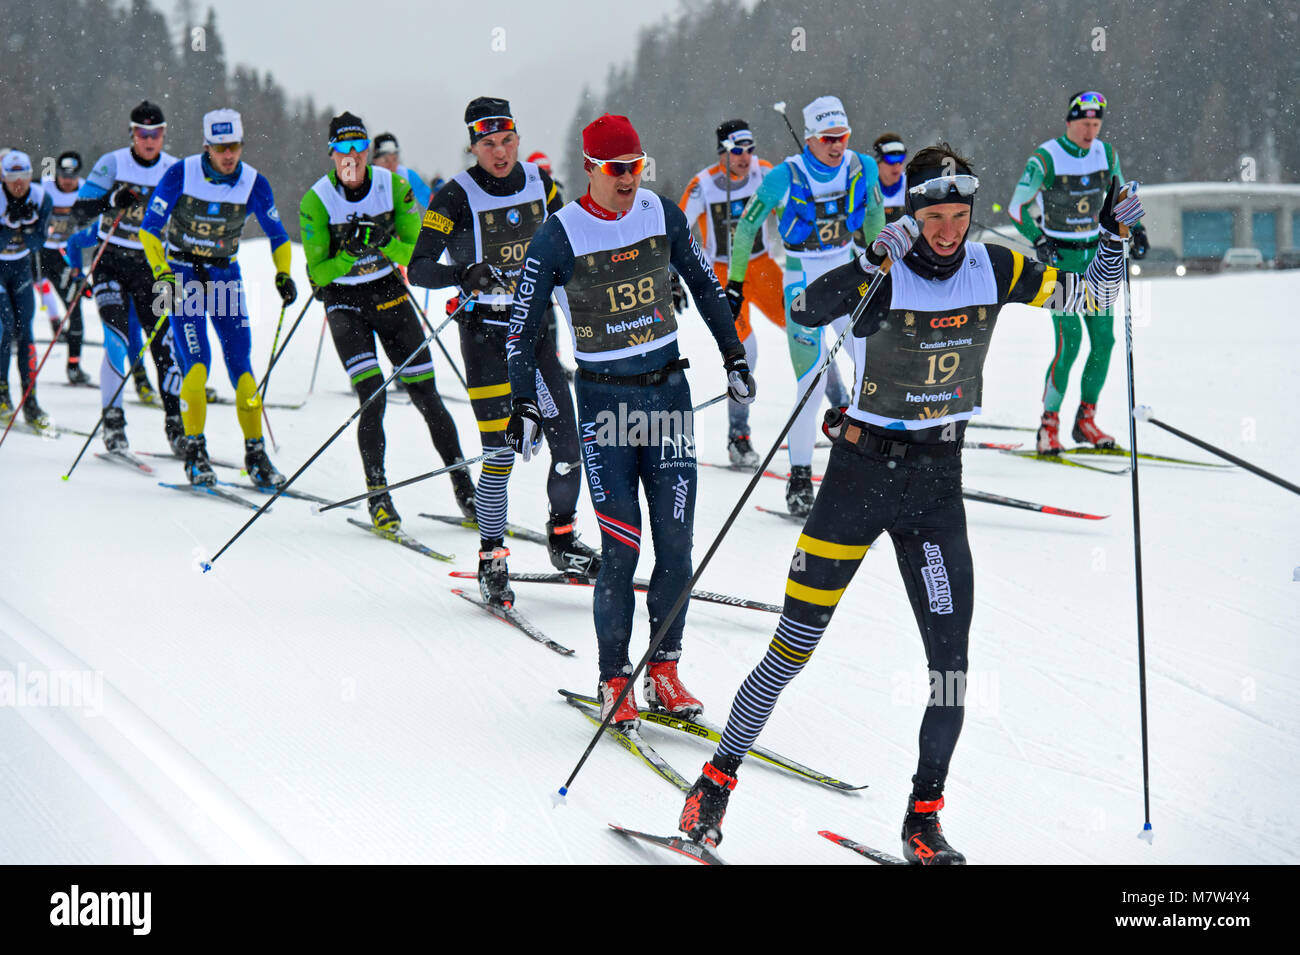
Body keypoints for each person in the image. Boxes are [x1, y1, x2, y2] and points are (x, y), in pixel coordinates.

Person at [676, 144, 1144, 864]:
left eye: (959, 216)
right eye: (934, 216)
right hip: (858, 479)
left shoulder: (996, 265)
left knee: (951, 664)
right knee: (792, 648)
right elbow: (806, 306)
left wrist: (1111, 238)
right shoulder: (886, 270)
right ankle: (715, 781)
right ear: (912, 212)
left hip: (933, 487)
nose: (948, 230)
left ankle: (923, 818)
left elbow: (1091, 297)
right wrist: (868, 261)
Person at [504, 112, 755, 723]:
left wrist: (733, 355)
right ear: (590, 168)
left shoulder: (662, 215)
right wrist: (523, 401)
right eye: (617, 170)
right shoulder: (557, 236)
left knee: (677, 545)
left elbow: (704, 285)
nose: (629, 180)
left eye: (638, 167)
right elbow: (521, 331)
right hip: (605, 405)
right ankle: (614, 676)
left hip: (668, 398)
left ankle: (663, 669)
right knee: (622, 547)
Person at [408, 96, 598, 603]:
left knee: (568, 446)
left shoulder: (543, 185)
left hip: (536, 334)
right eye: (488, 144)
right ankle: (492, 555)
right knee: (499, 454)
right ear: (473, 145)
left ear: (518, 137)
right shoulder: (454, 196)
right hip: (486, 336)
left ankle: (563, 538)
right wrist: (461, 273)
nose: (500, 152)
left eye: (507, 140)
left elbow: (579, 242)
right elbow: (419, 267)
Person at [299, 111, 473, 528]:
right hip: (344, 303)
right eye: (343, 150)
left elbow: (418, 255)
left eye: (359, 149)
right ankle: (378, 493)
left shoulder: (393, 186)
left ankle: (465, 489)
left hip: (390, 295)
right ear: (331, 154)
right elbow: (318, 274)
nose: (352, 158)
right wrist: (349, 253)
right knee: (372, 394)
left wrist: (384, 241)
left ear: (368, 152)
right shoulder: (317, 200)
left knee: (426, 395)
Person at [722, 95, 884, 514]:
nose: (837, 145)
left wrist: (887, 269)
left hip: (849, 277)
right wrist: (736, 283)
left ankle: (869, 463)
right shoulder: (784, 176)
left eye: (842, 136)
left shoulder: (861, 167)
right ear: (810, 137)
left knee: (874, 371)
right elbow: (746, 228)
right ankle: (798, 479)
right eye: (828, 137)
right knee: (811, 383)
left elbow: (873, 222)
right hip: (803, 283)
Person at [138, 108, 294, 486]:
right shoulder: (182, 173)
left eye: (235, 146)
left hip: (225, 276)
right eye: (221, 147)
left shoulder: (255, 183)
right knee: (196, 365)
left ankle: (256, 455)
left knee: (242, 366)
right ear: (206, 146)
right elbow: (149, 229)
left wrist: (283, 272)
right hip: (181, 275)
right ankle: (194, 451)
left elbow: (279, 236)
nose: (228, 155)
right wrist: (161, 272)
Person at [1008, 90, 1148, 453]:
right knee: (1069, 343)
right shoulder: (1046, 157)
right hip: (1061, 263)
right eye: (1084, 123)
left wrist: (1137, 228)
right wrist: (1038, 239)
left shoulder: (1107, 154)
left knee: (1104, 342)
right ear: (1069, 122)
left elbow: (1120, 198)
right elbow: (1016, 207)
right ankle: (1048, 424)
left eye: (1096, 124)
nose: (1091, 131)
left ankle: (1085, 420)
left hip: (1098, 260)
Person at [70, 100, 185, 455]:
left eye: (155, 133)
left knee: (167, 346)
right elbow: (78, 212)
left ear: (164, 134)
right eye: (141, 133)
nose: (148, 140)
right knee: (117, 339)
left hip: (154, 267)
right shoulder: (112, 163)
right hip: (112, 262)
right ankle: (114, 422)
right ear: (132, 133)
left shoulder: (175, 169)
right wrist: (110, 200)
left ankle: (177, 427)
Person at [678, 119, 785, 468]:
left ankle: (842, 408)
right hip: (723, 273)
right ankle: (738, 436)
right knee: (745, 351)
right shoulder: (703, 185)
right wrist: (672, 277)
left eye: (750, 150)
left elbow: (792, 211)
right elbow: (677, 230)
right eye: (737, 151)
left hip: (763, 266)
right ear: (723, 151)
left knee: (807, 327)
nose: (745, 158)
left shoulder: (765, 172)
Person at [0, 150, 54, 427]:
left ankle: (30, 401)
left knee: (26, 332)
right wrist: (11, 223)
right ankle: (2, 395)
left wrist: (28, 225)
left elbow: (37, 244)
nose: (17, 183)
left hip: (20, 268)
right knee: (4, 327)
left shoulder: (41, 197)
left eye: (22, 176)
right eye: (11, 177)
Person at [35, 151, 92, 384]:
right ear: (56, 173)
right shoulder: (44, 186)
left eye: (73, 176)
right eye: (63, 175)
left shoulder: (87, 190)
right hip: (37, 253)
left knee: (75, 307)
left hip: (65, 258)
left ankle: (74, 367)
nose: (68, 181)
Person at [372, 133, 432, 210]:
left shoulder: (407, 175)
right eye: (386, 160)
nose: (391, 165)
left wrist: (439, 193)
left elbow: (430, 200)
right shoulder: (367, 176)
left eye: (395, 159)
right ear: (375, 160)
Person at [872, 133, 908, 223]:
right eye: (891, 159)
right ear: (878, 162)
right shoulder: (866, 188)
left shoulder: (912, 185)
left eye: (900, 158)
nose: (896, 165)